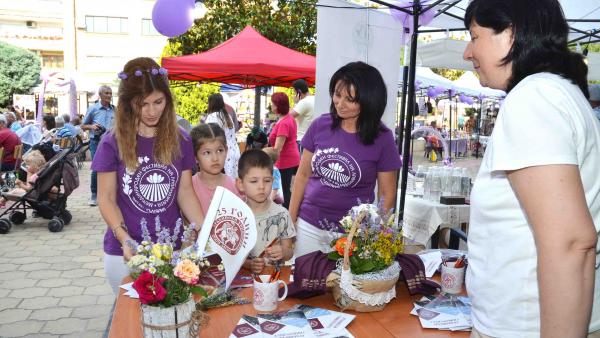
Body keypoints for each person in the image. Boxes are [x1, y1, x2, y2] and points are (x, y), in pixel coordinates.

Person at [462, 0, 600, 337]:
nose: (467, 52)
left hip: (528, 325)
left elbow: (571, 242)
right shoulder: (557, 92)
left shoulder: (533, 98)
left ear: (509, 34)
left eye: (474, 36)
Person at [92, 57, 205, 295]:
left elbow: (185, 192)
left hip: (173, 251)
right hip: (125, 252)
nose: (152, 111)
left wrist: (204, 230)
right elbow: (106, 198)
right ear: (127, 103)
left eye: (158, 102)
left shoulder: (181, 139)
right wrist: (124, 238)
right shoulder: (111, 142)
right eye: (142, 104)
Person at [289, 61, 401, 257]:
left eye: (350, 99)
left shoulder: (382, 138)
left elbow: (387, 193)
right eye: (337, 95)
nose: (339, 104)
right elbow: (302, 175)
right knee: (305, 284)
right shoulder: (320, 125)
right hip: (309, 225)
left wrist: (375, 238)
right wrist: (290, 222)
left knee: (345, 287)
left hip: (354, 233)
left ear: (369, 100)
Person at [237, 150, 295, 274]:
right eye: (254, 181)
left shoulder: (282, 214)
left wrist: (283, 252)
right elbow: (233, 256)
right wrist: (249, 264)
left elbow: (289, 252)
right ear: (240, 184)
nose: (261, 186)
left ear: (273, 181)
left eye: (267, 181)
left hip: (275, 279)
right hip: (245, 280)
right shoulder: (236, 216)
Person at [189, 123, 241, 216]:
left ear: (226, 151)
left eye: (219, 151)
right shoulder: (189, 188)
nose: (215, 158)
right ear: (195, 157)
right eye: (207, 153)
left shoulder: (236, 187)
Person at [83, 85, 115, 206]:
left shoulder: (114, 110)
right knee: (97, 168)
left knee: (112, 167)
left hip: (110, 142)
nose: (109, 95)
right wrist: (92, 126)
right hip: (96, 141)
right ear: (100, 95)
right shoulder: (93, 109)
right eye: (106, 93)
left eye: (110, 93)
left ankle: (110, 194)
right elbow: (83, 125)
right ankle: (94, 194)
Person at [267, 92, 300, 209]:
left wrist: (267, 156)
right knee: (286, 188)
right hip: (291, 158)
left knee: (283, 189)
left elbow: (278, 148)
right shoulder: (288, 118)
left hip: (285, 160)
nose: (271, 106)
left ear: (277, 105)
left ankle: (287, 213)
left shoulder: (284, 123)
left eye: (273, 103)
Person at [205, 93, 241, 178]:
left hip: (223, 153)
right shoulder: (227, 116)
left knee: (225, 182)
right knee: (234, 181)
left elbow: (209, 136)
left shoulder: (212, 116)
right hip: (234, 150)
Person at [290, 79, 315, 147]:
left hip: (302, 139)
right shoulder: (314, 99)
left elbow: (288, 117)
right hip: (312, 138)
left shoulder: (304, 102)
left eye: (294, 92)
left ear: (299, 92)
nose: (294, 95)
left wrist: (295, 103)